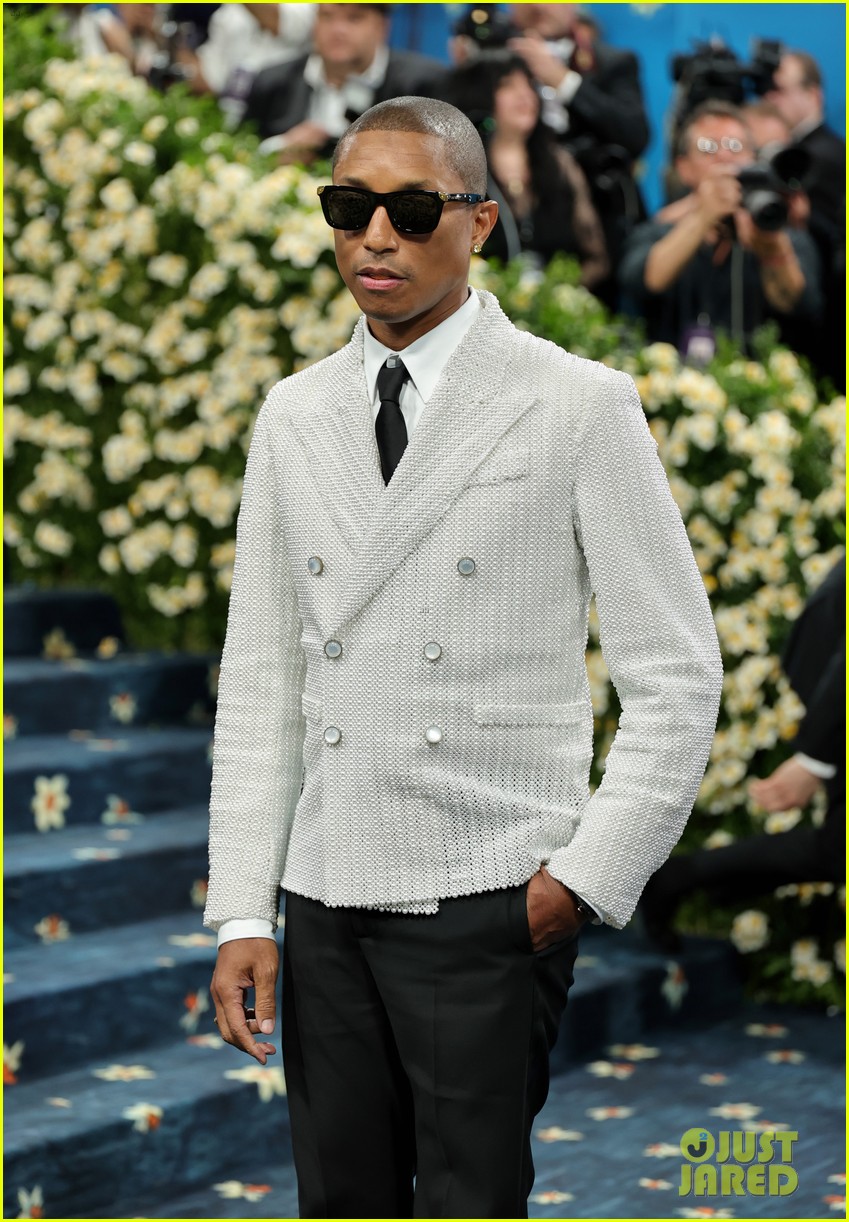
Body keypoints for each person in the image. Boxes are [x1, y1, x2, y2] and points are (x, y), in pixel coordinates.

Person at [204, 95, 723, 1218]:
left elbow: (678, 674)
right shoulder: (294, 416)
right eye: (349, 208)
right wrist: (246, 909)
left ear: (480, 222)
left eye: (409, 208)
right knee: (338, 1203)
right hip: (327, 890)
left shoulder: (578, 404)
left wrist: (577, 883)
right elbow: (260, 685)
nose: (375, 236)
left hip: (488, 890)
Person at [641, 555, 845, 952]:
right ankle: (688, 878)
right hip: (833, 684)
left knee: (837, 850)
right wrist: (814, 759)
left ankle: (701, 880)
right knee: (837, 850)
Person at [618, 100, 822, 359]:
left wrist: (770, 242)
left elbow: (799, 304)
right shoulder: (658, 231)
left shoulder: (782, 232)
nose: (724, 157)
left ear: (754, 159)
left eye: (735, 146)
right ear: (684, 168)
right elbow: (642, 281)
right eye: (708, 148)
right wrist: (703, 215)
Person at [506, 2, 650, 302]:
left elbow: (635, 136)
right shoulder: (494, 59)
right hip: (513, 214)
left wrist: (564, 81)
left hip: (595, 220)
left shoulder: (613, 61)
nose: (535, 5)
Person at [440, 52, 609, 286]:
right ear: (480, 95)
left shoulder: (561, 164)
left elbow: (596, 257)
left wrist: (554, 299)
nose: (525, 95)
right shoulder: (457, 169)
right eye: (507, 86)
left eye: (529, 85)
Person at [241, 3, 445, 161]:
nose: (338, 29)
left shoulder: (424, 85)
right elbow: (239, 153)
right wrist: (278, 149)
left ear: (382, 27)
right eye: (327, 17)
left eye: (354, 19)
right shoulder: (272, 80)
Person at [766, 49, 845, 390]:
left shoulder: (820, 156)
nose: (770, 99)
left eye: (780, 90)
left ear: (813, 94)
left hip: (824, 320)